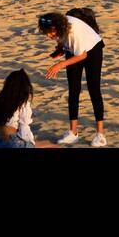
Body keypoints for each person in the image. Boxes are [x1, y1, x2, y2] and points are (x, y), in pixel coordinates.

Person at [40, 11, 106, 146]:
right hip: (74, 50)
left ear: (57, 26)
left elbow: (82, 56)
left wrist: (60, 64)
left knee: (94, 89)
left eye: (50, 32)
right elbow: (62, 39)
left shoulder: (73, 31)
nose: (48, 35)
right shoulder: (59, 26)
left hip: (92, 49)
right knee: (73, 90)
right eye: (46, 32)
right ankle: (73, 132)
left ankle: (100, 134)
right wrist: (60, 47)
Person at [0, 70, 57, 148]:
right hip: (13, 142)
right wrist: (31, 143)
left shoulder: (0, 99)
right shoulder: (22, 102)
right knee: (51, 146)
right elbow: (24, 128)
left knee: (41, 144)